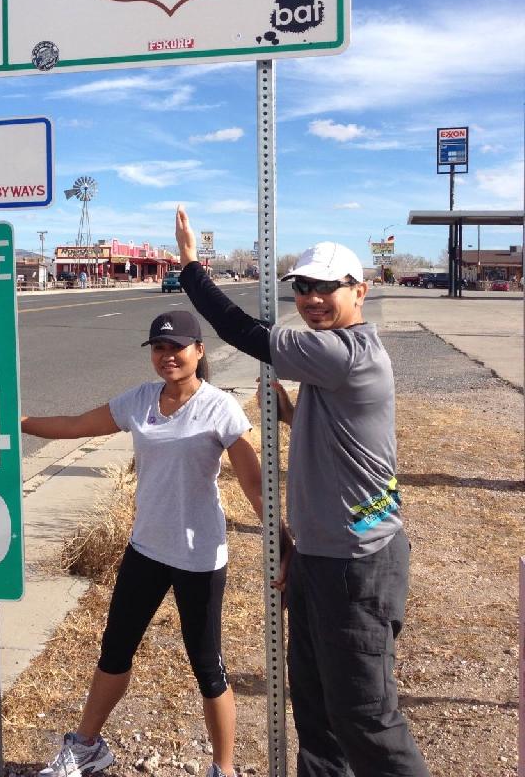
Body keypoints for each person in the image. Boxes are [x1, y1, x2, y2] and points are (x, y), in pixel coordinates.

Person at [174, 207, 430, 777]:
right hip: (322, 557)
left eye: (325, 287)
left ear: (359, 291)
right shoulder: (333, 361)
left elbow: (242, 331)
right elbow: (341, 432)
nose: (311, 297)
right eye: (302, 287)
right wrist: (290, 415)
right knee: (315, 713)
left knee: (365, 718)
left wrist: (191, 268)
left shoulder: (344, 353)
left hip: (357, 563)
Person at [22, 310, 263, 777]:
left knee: (208, 668)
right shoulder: (140, 400)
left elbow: (254, 485)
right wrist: (19, 422)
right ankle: (88, 746)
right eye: (158, 348)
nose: (167, 356)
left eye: (177, 347)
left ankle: (224, 769)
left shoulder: (220, 408)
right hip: (146, 549)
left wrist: (283, 541)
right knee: (115, 650)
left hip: (198, 557)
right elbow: (76, 426)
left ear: (198, 351)